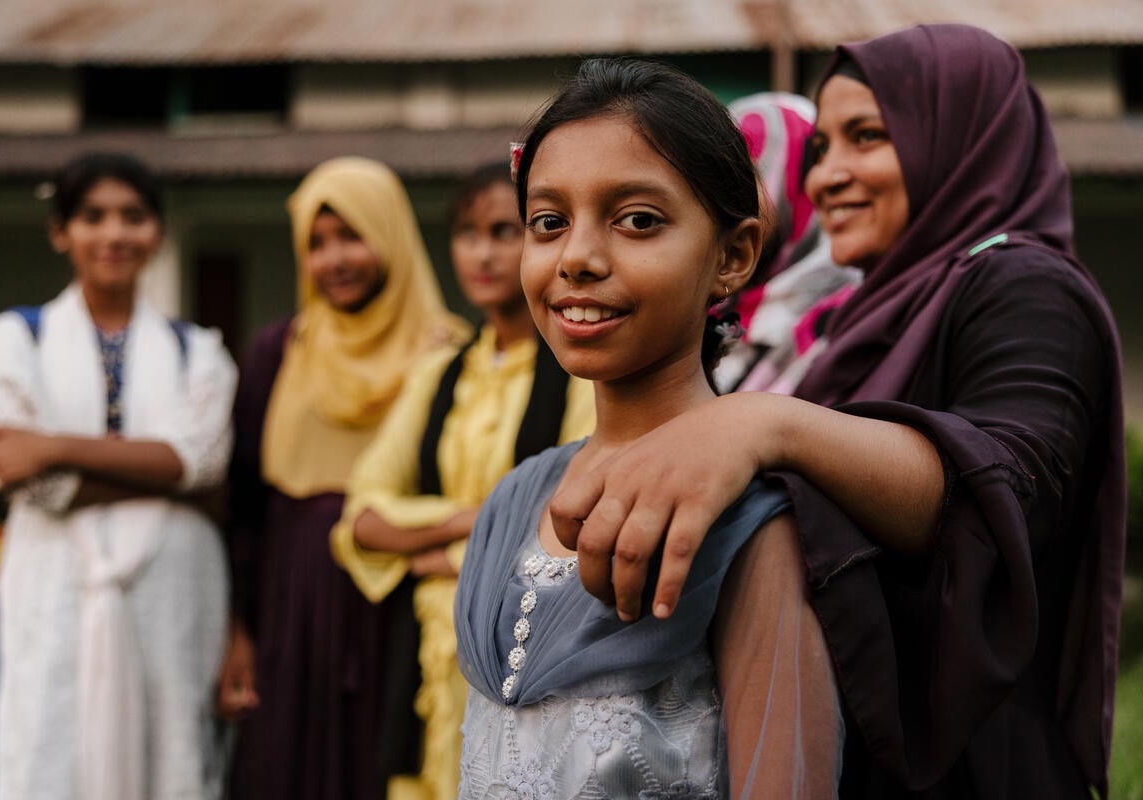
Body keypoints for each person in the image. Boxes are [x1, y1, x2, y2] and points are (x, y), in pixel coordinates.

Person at [544, 25, 1126, 800]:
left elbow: (1009, 489)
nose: (828, 177)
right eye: (821, 148)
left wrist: (765, 424)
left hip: (976, 766)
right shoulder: (871, 314)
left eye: (869, 137)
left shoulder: (1024, 284)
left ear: (964, 137)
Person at [452, 59, 842, 798]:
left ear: (732, 256)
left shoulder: (754, 524)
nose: (578, 259)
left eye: (637, 221)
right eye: (548, 222)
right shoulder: (513, 500)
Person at [0, 152, 237, 800]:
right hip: (52, 582)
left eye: (133, 217)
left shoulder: (197, 349)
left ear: (158, 233)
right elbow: (33, 484)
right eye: (93, 217)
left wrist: (55, 444)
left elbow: (201, 459)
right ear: (61, 232)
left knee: (172, 756)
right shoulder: (10, 339)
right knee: (43, 747)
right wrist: (176, 485)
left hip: (174, 591)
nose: (114, 234)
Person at [331, 163, 595, 800]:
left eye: (507, 231)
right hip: (426, 646)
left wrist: (438, 551)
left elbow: (573, 514)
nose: (483, 253)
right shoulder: (441, 372)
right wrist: (466, 522)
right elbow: (361, 515)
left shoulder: (581, 367)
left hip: (528, 645)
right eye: (468, 233)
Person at [221, 157, 470, 800]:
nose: (335, 259)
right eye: (317, 242)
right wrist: (240, 633)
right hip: (290, 607)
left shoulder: (449, 356)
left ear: (391, 235)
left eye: (353, 235)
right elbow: (244, 504)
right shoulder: (279, 351)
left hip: (398, 600)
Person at [713, 92, 861, 395]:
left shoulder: (847, 324)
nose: (719, 196)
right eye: (718, 175)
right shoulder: (704, 311)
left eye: (746, 172)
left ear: (799, 183)